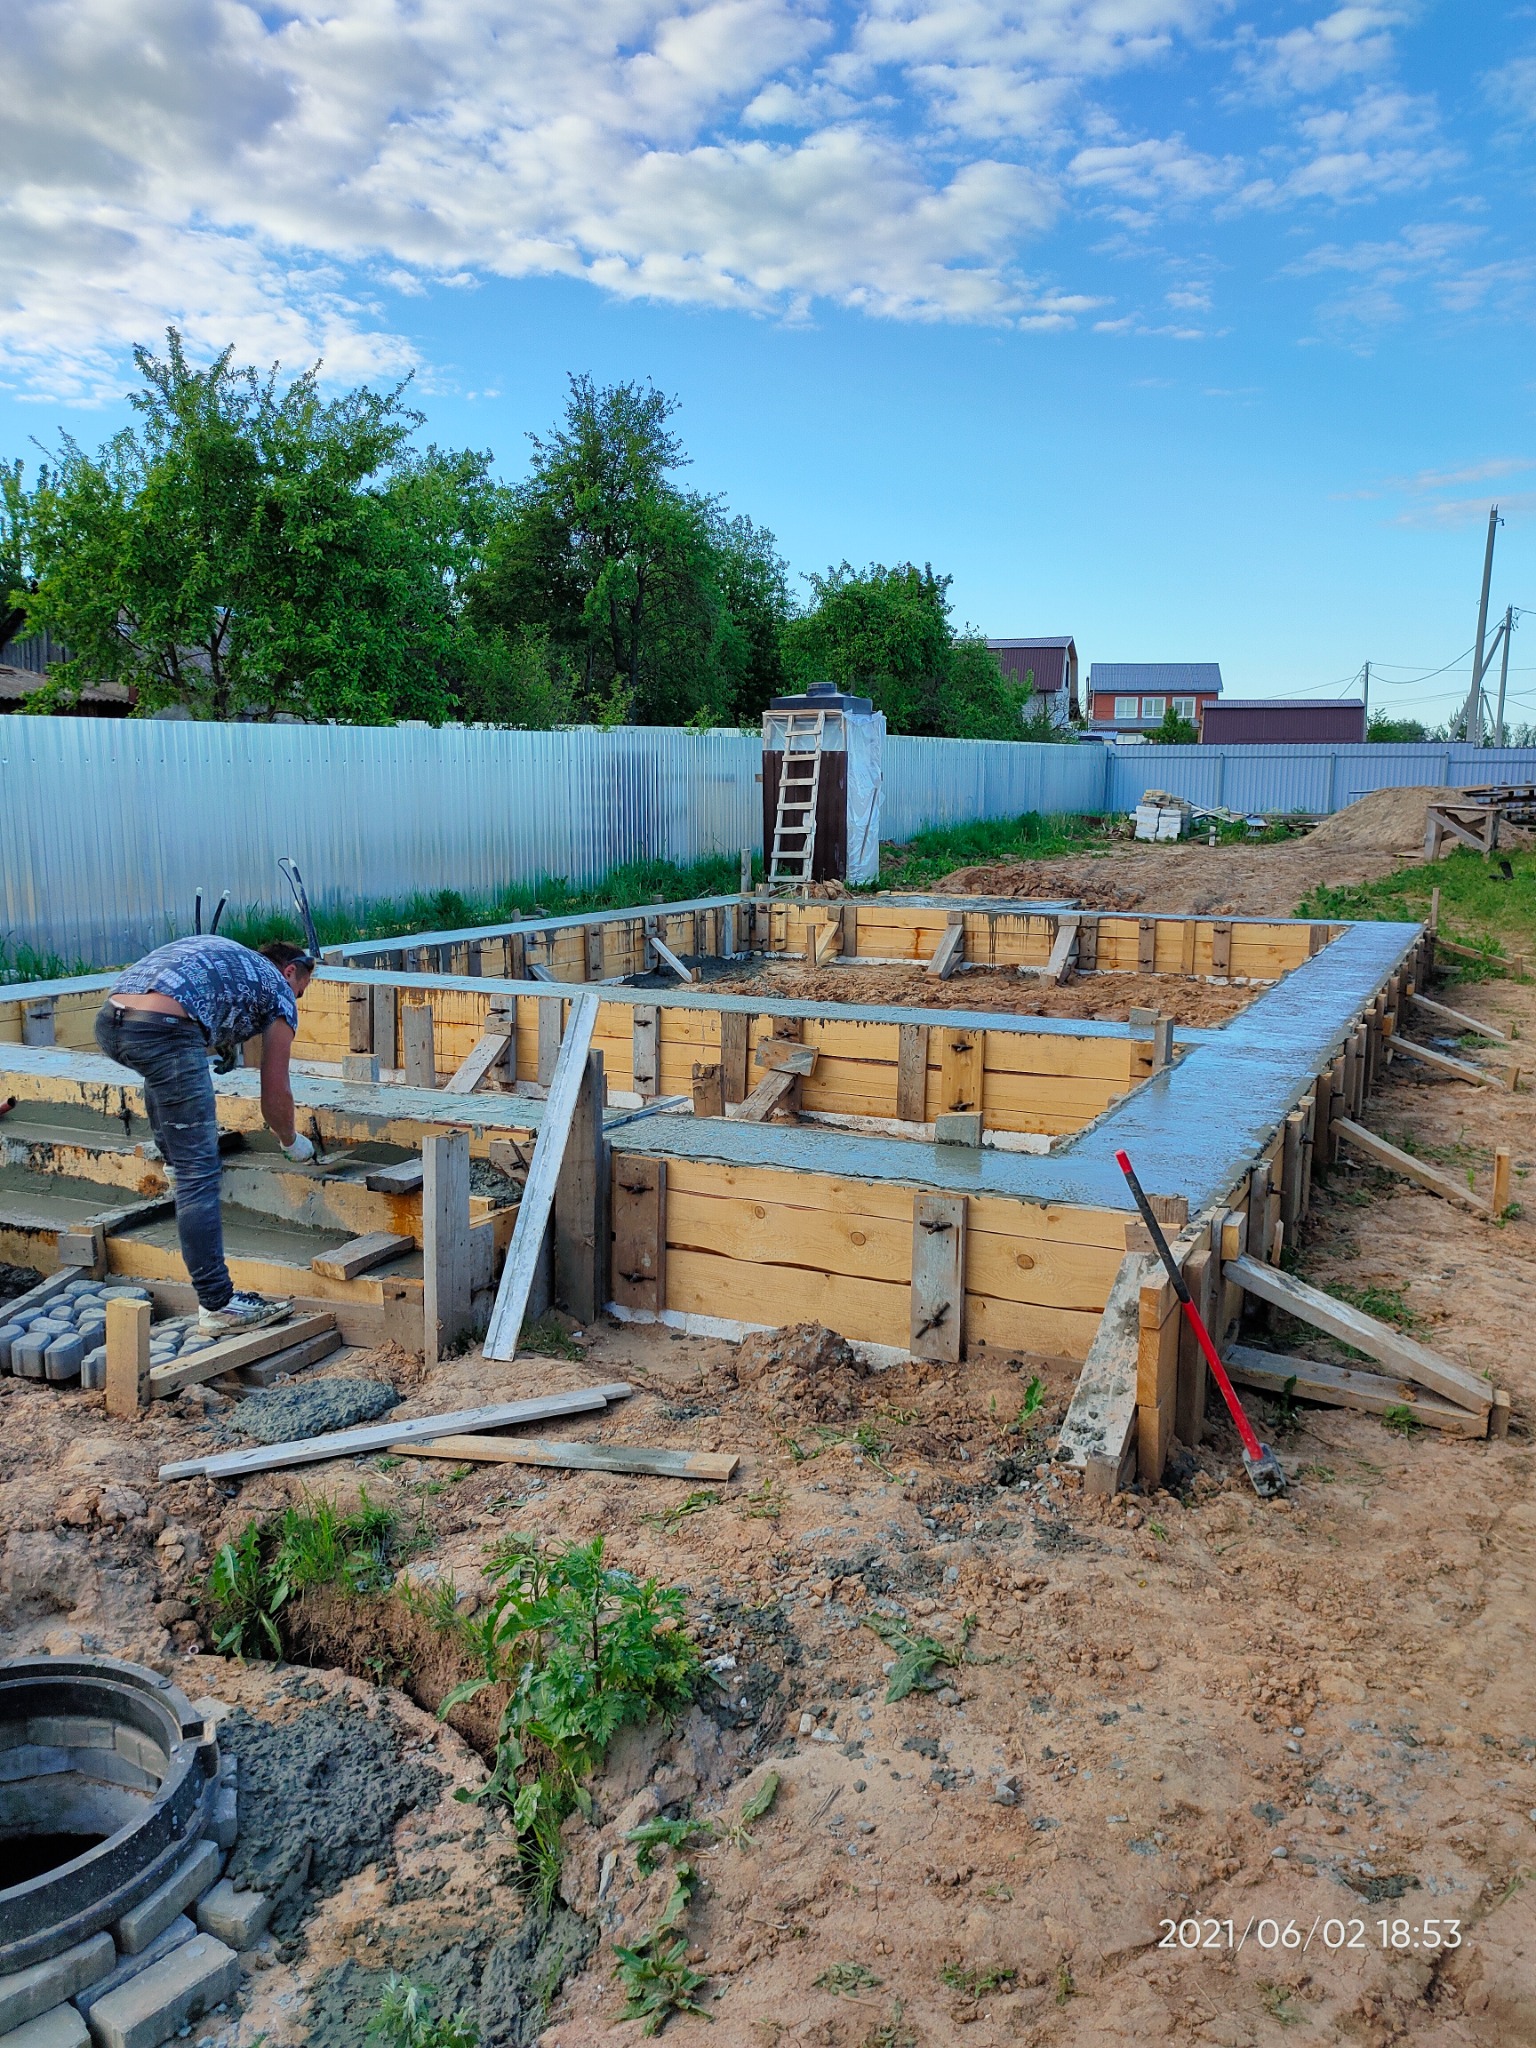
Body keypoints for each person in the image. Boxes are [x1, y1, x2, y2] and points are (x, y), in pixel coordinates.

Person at [95, 935, 319, 1336]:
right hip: (163, 1031)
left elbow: (192, 995)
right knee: (199, 1173)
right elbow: (275, 1092)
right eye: (299, 992)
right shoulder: (278, 989)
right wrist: (291, 1142)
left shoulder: (230, 957)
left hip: (112, 1021)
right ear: (290, 972)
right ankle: (218, 1305)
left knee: (166, 1077)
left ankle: (174, 1164)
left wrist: (215, 1039)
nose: (294, 1002)